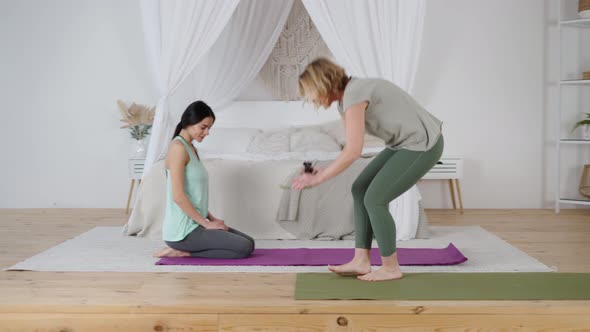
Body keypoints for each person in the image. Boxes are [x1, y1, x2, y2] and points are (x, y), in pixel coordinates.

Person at [292, 58, 443, 281]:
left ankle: (391, 267)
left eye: (310, 92)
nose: (311, 99)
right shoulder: (346, 100)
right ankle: (361, 261)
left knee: (375, 198)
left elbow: (353, 151)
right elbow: (348, 149)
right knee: (360, 188)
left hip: (422, 144)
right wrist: (321, 171)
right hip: (403, 145)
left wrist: (321, 178)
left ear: (323, 84)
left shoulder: (354, 94)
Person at [153, 101, 255, 259]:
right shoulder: (178, 149)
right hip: (183, 231)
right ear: (188, 122)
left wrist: (213, 219)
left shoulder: (191, 148)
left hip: (198, 224)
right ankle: (183, 251)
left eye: (209, 128)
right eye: (203, 127)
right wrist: (207, 224)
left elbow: (194, 195)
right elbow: (178, 196)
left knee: (250, 242)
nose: (207, 132)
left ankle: (191, 248)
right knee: (243, 248)